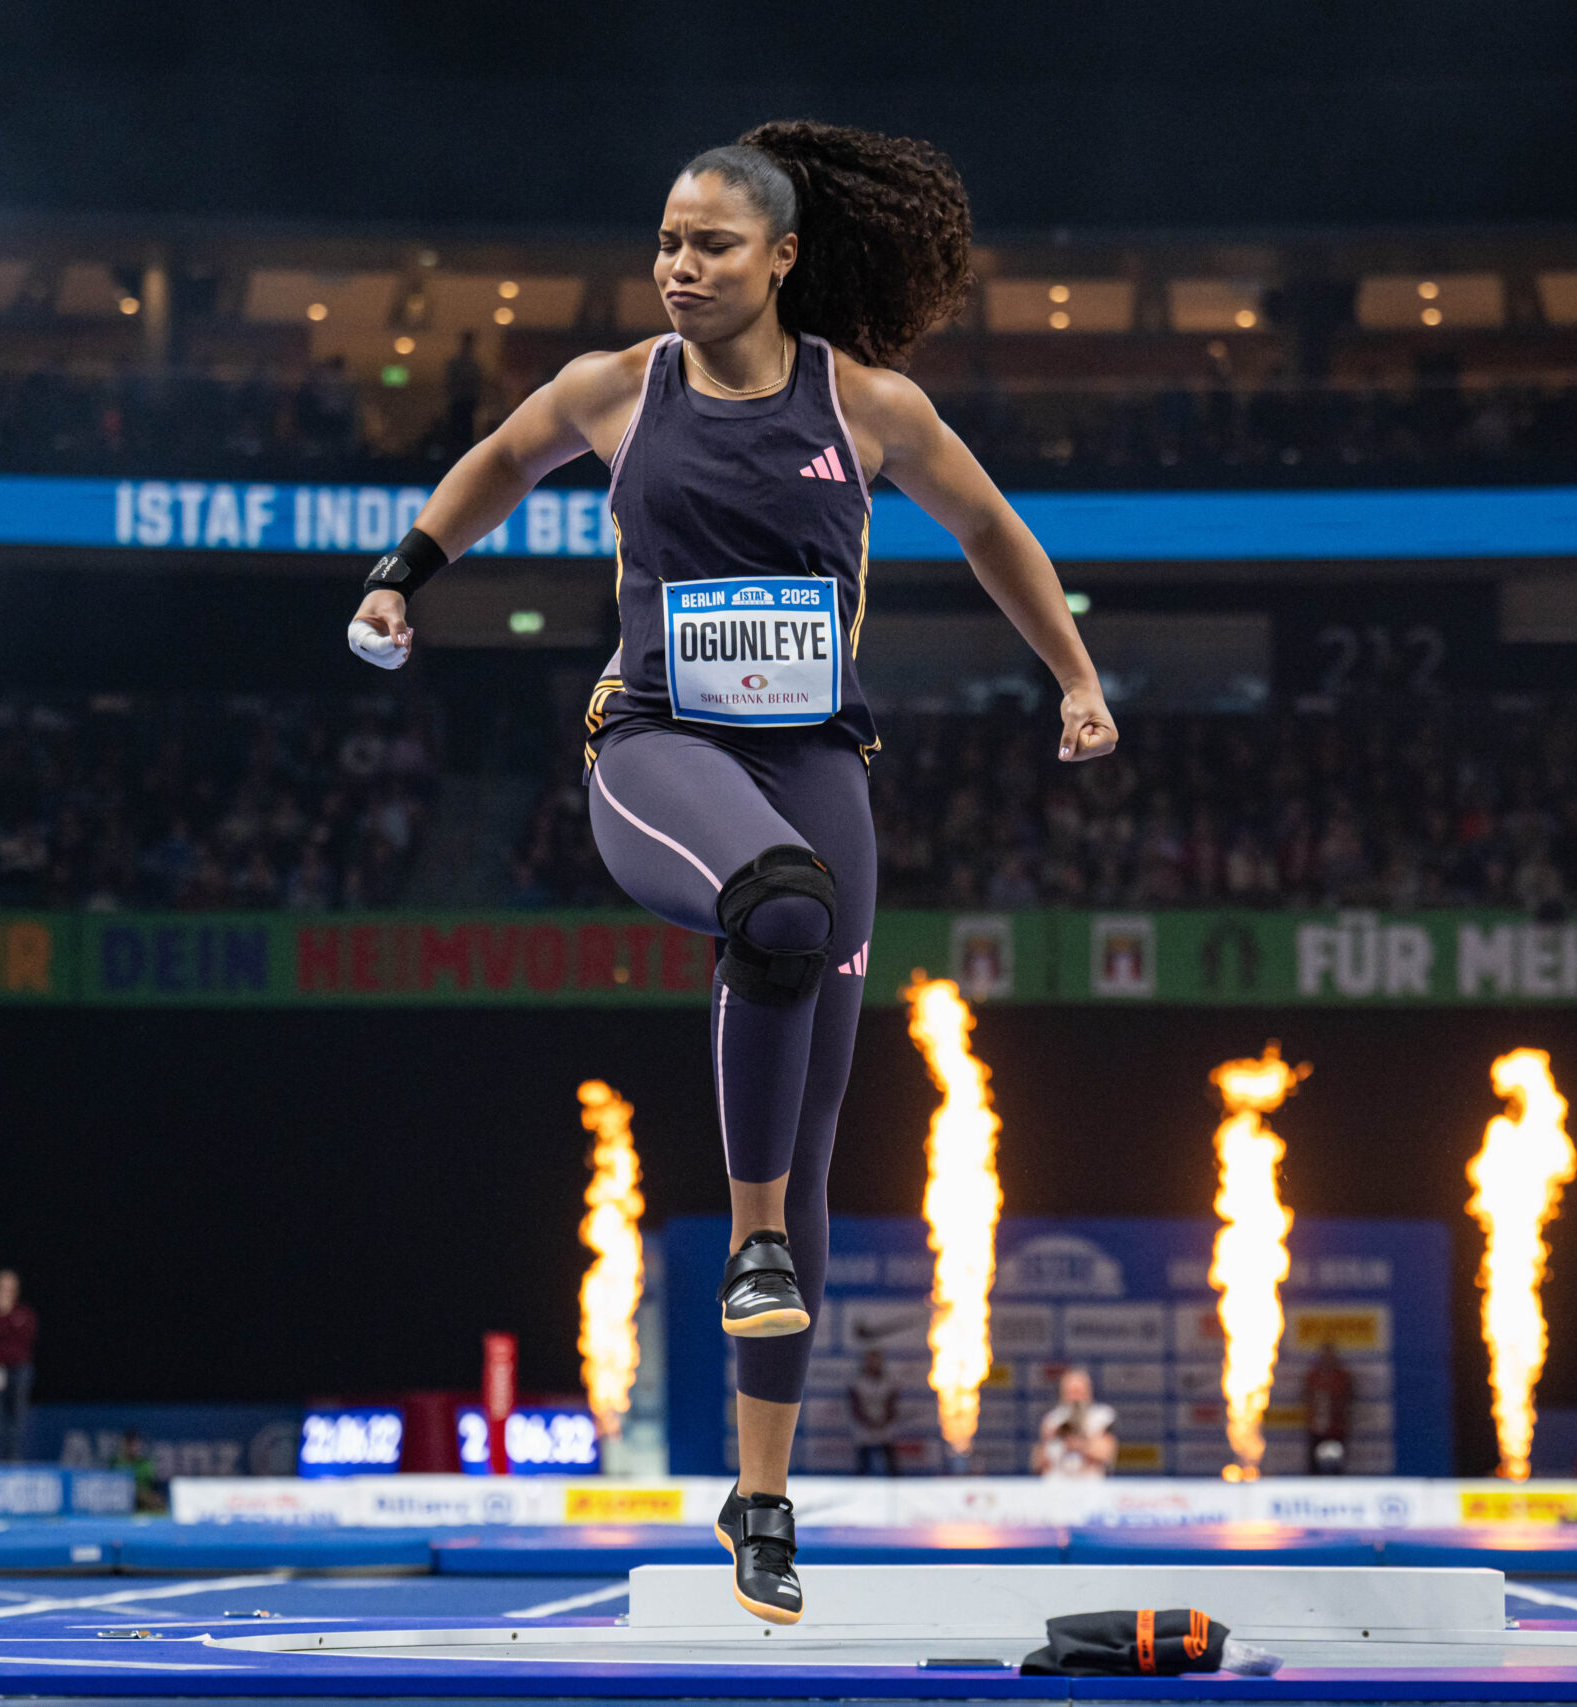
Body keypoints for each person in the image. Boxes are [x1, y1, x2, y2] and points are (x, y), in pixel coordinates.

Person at [348, 122, 1115, 1625]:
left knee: (817, 1105)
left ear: (779, 258)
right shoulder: (616, 393)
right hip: (656, 750)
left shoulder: (869, 406)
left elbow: (994, 531)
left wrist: (1077, 680)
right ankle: (749, 1233)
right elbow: (500, 460)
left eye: (709, 245)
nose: (677, 267)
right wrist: (402, 572)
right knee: (773, 900)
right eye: (665, 242)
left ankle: (760, 1498)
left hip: (824, 758)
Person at [0, 1269, 39, 1461]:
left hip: (19, 1371)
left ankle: (13, 1460)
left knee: (17, 1417)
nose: (6, 1291)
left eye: (10, 1288)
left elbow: (25, 1337)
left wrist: (5, 1320)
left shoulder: (24, 1313)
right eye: (2, 1287)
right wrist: (2, 1318)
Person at [1033, 1368, 1118, 1479]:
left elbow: (1106, 1453)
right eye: (1070, 1393)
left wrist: (1079, 1444)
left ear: (1089, 1392)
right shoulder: (1052, 1419)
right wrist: (1052, 1438)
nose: (1075, 1398)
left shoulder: (1101, 1417)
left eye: (1078, 1392)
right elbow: (1037, 1464)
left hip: (1088, 1485)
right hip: (1058, 1484)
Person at [1303, 1342, 1355, 1474]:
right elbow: (1306, 1397)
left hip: (1337, 1429)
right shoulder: (1313, 1376)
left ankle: (1338, 1490)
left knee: (1337, 1464)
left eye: (1330, 1355)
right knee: (1315, 1465)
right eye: (1324, 1355)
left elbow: (1349, 1398)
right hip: (1317, 1428)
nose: (1327, 1359)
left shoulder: (1342, 1377)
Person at [846, 1349, 899, 1476]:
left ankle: (896, 1484)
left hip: (884, 1424)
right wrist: (868, 1422)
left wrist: (883, 1422)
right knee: (863, 1461)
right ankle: (860, 1486)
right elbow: (855, 1406)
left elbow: (892, 1405)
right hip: (864, 1425)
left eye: (876, 1360)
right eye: (870, 1360)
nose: (873, 1363)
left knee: (890, 1459)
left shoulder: (889, 1381)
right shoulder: (857, 1382)